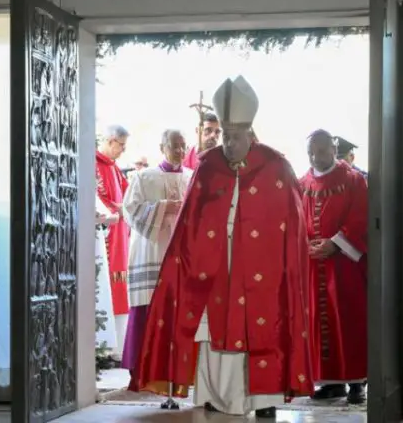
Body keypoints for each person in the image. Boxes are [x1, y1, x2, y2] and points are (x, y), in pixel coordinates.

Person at [129, 76, 313, 419]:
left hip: (263, 272)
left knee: (262, 326)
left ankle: (264, 399)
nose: (228, 143)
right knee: (211, 332)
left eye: (235, 137)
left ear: (251, 136)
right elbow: (189, 222)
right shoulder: (208, 165)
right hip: (212, 267)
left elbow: (293, 226)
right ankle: (213, 394)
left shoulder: (276, 166)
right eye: (225, 136)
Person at [300, 130, 369, 405]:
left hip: (344, 266)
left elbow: (361, 216)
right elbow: (293, 217)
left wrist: (336, 243)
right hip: (313, 262)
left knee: (348, 321)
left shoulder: (353, 180)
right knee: (317, 323)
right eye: (311, 152)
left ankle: (356, 382)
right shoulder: (301, 182)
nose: (316, 156)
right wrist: (304, 244)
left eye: (321, 150)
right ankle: (329, 383)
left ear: (333, 148)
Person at [120, 130, 192, 378]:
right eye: (174, 146)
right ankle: (142, 369)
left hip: (182, 253)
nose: (180, 152)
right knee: (147, 307)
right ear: (162, 147)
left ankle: (178, 371)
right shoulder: (143, 177)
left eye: (183, 146)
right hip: (152, 250)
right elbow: (129, 210)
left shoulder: (192, 178)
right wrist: (163, 208)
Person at [96, 125, 132, 357]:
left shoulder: (114, 167)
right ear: (110, 141)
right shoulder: (94, 165)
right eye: (121, 145)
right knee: (106, 288)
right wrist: (116, 209)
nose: (123, 151)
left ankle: (117, 347)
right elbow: (97, 198)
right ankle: (104, 348)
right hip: (105, 236)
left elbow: (128, 194)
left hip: (120, 235)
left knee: (120, 289)